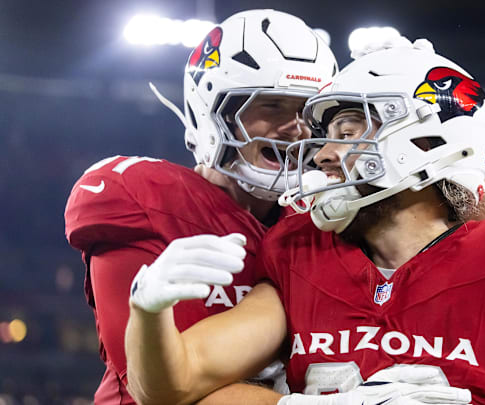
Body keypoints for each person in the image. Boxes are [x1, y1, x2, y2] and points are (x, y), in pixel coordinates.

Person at [124, 40, 485, 404]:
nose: (326, 156)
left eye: (348, 133)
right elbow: (174, 385)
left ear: (424, 142)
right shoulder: (303, 255)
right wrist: (147, 311)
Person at [64, 9, 337, 404]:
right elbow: (160, 388)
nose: (295, 129)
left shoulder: (319, 219)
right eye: (273, 106)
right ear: (214, 113)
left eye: (305, 111)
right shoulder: (142, 199)